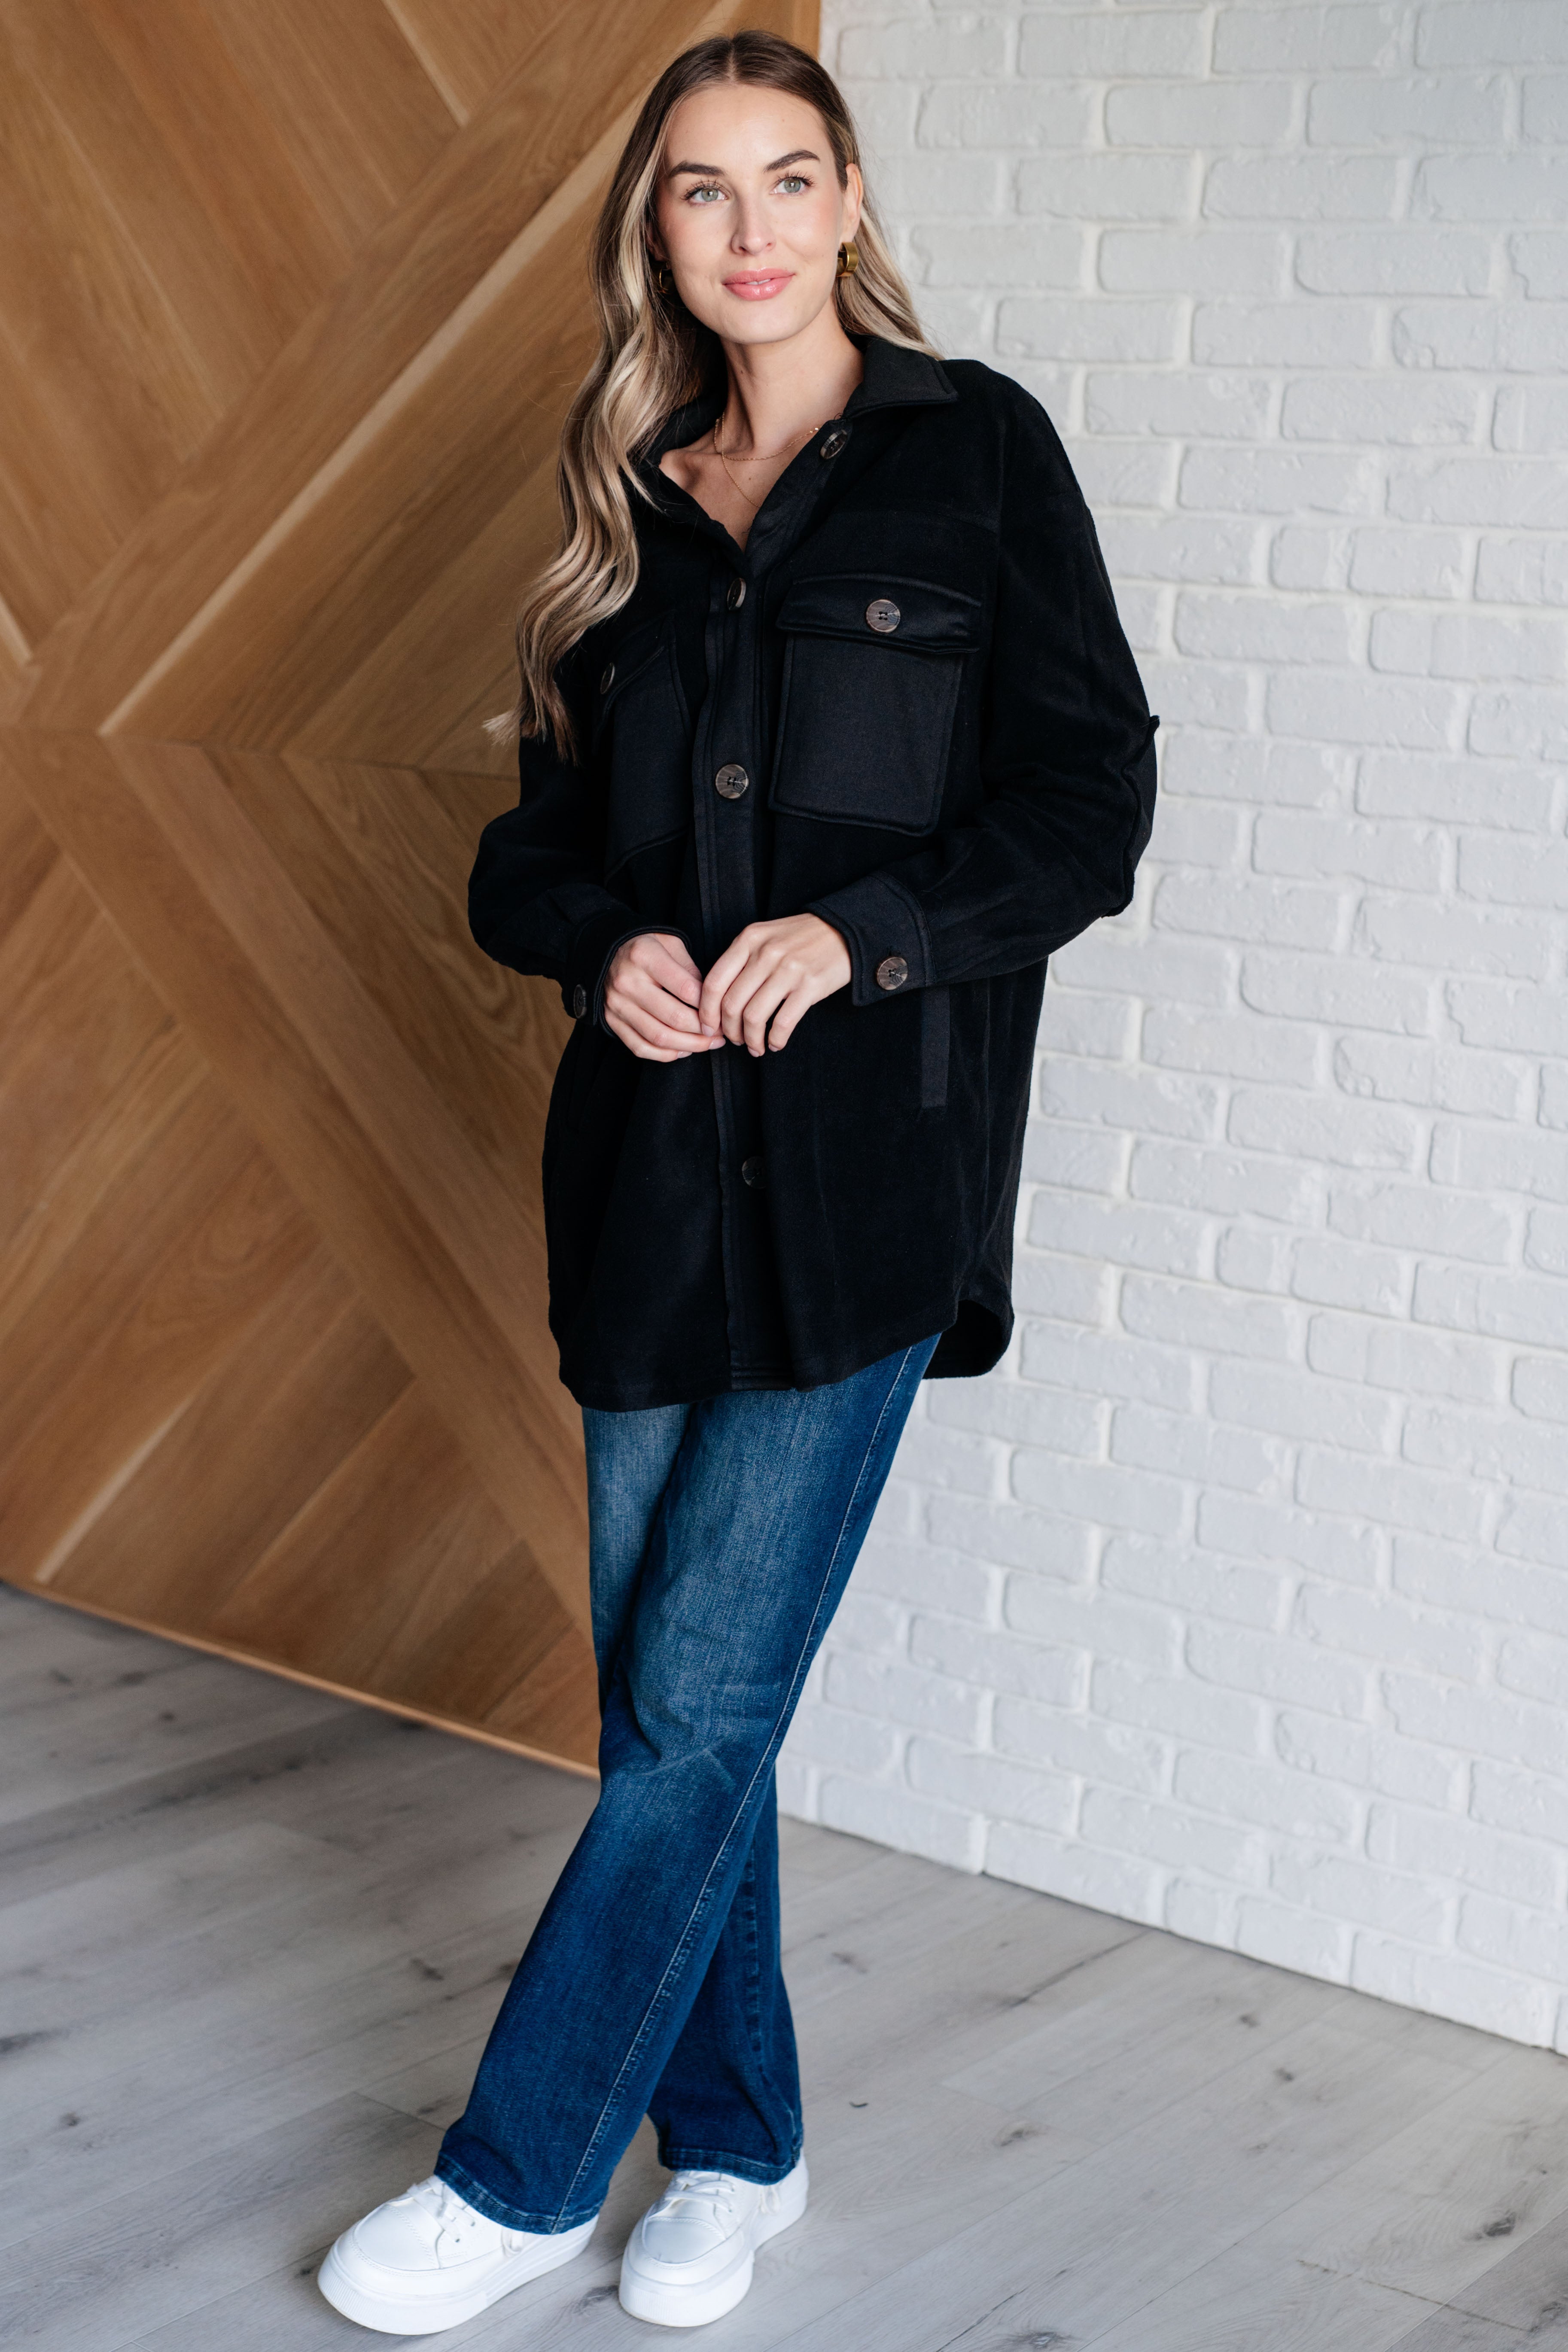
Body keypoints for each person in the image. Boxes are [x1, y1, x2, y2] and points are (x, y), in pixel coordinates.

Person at [318, 27, 1155, 2339]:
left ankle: (515, 2176)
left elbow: (1089, 806)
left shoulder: (977, 453)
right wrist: (605, 948)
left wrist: (861, 933)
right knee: (683, 1721)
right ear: (656, 234)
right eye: (703, 189)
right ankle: (747, 2148)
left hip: (870, 1194)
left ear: (850, 199)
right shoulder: (625, 501)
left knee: (693, 1704)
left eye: (790, 177)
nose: (753, 227)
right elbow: (523, 855)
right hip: (645, 1200)